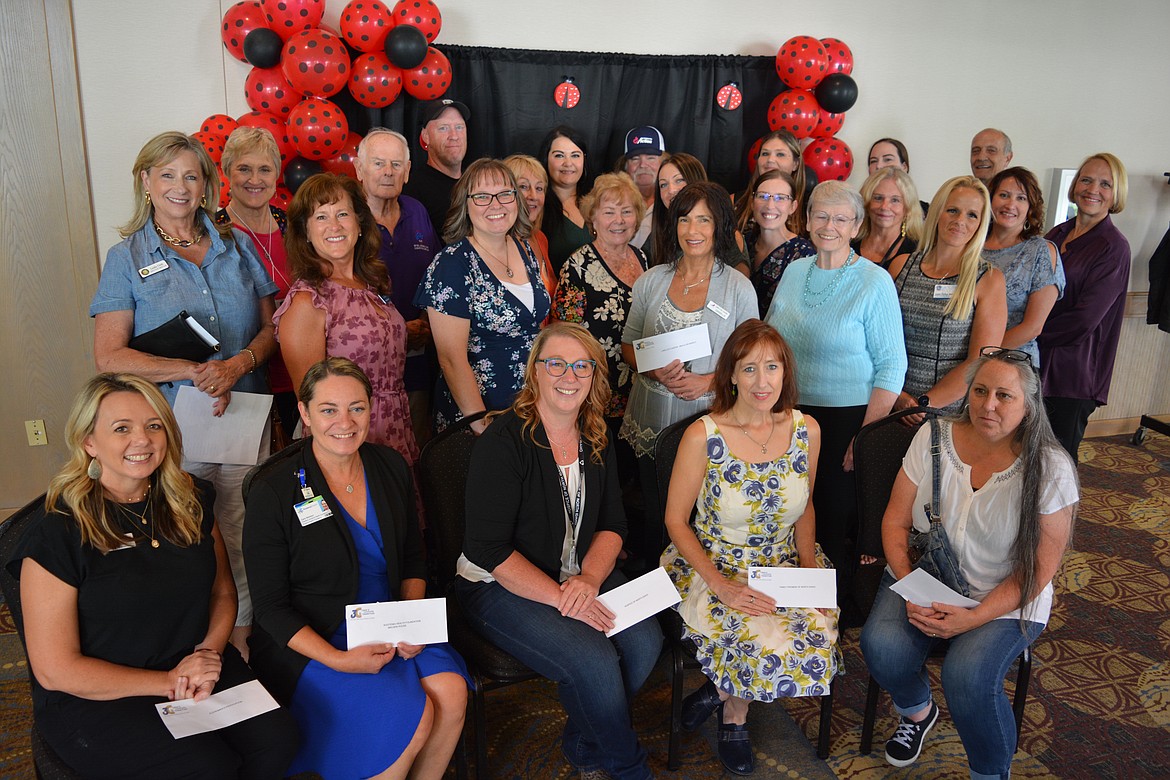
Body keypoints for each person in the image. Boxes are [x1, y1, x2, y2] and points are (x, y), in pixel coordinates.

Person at [9, 373, 297, 778]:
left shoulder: (191, 498)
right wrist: (168, 681)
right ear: (89, 442)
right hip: (101, 692)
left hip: (194, 661)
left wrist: (207, 654)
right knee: (205, 768)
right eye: (121, 428)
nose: (141, 439)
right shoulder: (58, 531)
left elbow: (221, 593)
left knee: (278, 739)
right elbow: (56, 669)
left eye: (154, 425)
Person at [90, 130, 278, 657]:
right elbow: (110, 356)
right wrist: (193, 370)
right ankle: (185, 642)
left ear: (206, 185)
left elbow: (272, 330)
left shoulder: (237, 246)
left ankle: (242, 638)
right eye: (167, 174)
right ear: (146, 181)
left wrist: (239, 363)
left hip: (244, 415)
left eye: (191, 175)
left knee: (243, 532)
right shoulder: (126, 257)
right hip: (167, 429)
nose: (180, 185)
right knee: (180, 537)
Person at [455, 323, 663, 780]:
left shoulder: (596, 434)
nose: (569, 376)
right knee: (593, 660)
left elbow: (613, 524)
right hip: (498, 582)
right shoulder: (503, 443)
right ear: (535, 373)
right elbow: (488, 549)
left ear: (593, 377)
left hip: (577, 571)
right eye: (556, 364)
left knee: (646, 642)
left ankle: (584, 737)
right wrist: (563, 598)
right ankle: (629, 768)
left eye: (581, 366)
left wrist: (588, 581)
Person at [244, 358, 468, 779]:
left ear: (371, 409)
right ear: (305, 413)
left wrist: (408, 621)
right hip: (316, 637)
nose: (344, 422)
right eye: (328, 409)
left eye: (357, 408)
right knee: (411, 720)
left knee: (452, 692)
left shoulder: (390, 466)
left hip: (389, 620)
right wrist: (337, 659)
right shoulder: (273, 489)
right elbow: (271, 608)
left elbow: (414, 560)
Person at [860, 348, 1077, 777]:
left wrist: (972, 618)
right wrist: (909, 586)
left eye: (1003, 395)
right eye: (979, 391)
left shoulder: (1051, 467)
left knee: (968, 677)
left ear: (1029, 405)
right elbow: (896, 519)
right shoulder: (934, 436)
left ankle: (990, 771)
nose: (987, 405)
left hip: (1004, 597)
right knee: (881, 647)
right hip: (927, 576)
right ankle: (918, 712)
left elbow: (1038, 570)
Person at [662, 321, 841, 775]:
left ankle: (713, 691)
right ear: (731, 375)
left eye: (772, 367)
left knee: (816, 637)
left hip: (784, 559)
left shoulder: (807, 430)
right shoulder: (703, 436)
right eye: (749, 369)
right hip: (714, 563)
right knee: (757, 635)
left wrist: (806, 571)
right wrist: (721, 586)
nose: (762, 382)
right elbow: (675, 522)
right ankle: (734, 716)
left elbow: (804, 507)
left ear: (785, 372)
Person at [765, 180, 907, 603]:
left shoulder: (873, 282)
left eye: (841, 218)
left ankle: (831, 614)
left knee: (829, 521)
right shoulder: (794, 271)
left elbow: (891, 367)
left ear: (857, 225)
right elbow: (770, 338)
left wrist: (863, 438)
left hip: (849, 420)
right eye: (821, 215)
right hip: (789, 413)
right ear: (806, 220)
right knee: (787, 511)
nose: (829, 225)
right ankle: (788, 606)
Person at [621, 182, 758, 562]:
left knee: (702, 515)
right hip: (651, 416)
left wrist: (709, 381)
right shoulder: (651, 280)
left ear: (719, 227)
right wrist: (654, 370)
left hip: (709, 420)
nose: (692, 230)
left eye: (704, 220)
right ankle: (656, 591)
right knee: (654, 510)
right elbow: (628, 347)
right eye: (685, 219)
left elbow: (752, 362)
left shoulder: (738, 287)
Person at [273, 173, 420, 485]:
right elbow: (314, 406)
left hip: (396, 426)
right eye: (321, 217)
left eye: (342, 214)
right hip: (348, 439)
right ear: (306, 233)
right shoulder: (307, 301)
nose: (335, 226)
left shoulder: (373, 284)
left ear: (359, 223)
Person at [414, 158, 549, 433]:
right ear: (465, 204)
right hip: (478, 417)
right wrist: (481, 425)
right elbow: (451, 359)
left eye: (504, 194)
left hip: (530, 407)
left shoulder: (525, 248)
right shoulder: (452, 264)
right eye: (482, 196)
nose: (495, 204)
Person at [889, 176, 1007, 418]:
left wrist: (924, 403)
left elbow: (980, 361)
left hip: (949, 414)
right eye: (952, 210)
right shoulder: (900, 266)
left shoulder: (989, 280)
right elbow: (878, 342)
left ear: (981, 224)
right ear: (937, 213)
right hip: (891, 402)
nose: (960, 221)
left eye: (972, 215)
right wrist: (897, 397)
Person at [1039, 153, 1131, 461]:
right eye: (1087, 179)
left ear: (1115, 193)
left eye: (1105, 183)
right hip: (1036, 365)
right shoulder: (1057, 234)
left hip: (1073, 374)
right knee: (1025, 457)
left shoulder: (1113, 247)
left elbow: (1084, 320)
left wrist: (1028, 333)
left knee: (1057, 464)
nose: (1093, 189)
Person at [355, 128, 442, 447]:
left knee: (416, 449)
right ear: (359, 169)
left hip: (417, 361)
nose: (388, 172)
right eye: (378, 163)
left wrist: (425, 323)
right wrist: (395, 330)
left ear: (407, 171)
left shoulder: (417, 211)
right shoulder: (346, 218)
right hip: (365, 366)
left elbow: (434, 276)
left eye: (396, 164)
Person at [216, 126, 296, 438]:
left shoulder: (291, 225)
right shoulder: (213, 233)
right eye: (244, 169)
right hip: (243, 376)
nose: (254, 179)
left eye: (264, 169)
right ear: (227, 172)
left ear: (276, 174)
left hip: (296, 370)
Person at [554, 172, 648, 426]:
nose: (619, 220)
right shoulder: (577, 267)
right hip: (597, 394)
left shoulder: (644, 259)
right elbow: (566, 336)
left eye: (627, 212)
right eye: (609, 212)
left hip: (640, 389)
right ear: (592, 218)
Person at [983, 167, 1065, 366]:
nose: (1011, 204)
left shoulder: (1041, 251)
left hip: (1014, 362)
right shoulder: (971, 246)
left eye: (1021, 198)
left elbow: (1033, 326)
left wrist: (982, 354)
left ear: (1031, 207)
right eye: (1003, 195)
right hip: (960, 361)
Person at [742, 170, 814, 311]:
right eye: (763, 196)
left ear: (793, 207)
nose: (770, 205)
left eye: (780, 198)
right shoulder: (744, 242)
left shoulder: (803, 254)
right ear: (752, 202)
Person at [403, 98, 470, 237]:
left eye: (459, 127)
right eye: (443, 128)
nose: (454, 136)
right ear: (425, 136)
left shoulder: (476, 183)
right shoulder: (413, 191)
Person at [504, 153, 558, 303]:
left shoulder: (540, 238)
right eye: (523, 186)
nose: (533, 195)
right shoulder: (496, 245)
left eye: (539, 188)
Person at [540, 125, 595, 271]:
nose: (568, 163)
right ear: (546, 159)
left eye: (575, 155)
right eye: (559, 155)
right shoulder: (537, 206)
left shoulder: (598, 201)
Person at [735, 131, 809, 238]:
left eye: (780, 154)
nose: (770, 160)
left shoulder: (808, 207)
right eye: (765, 153)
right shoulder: (735, 201)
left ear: (795, 164)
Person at [854, 167, 924, 269]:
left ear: (908, 208)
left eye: (895, 200)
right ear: (866, 203)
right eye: (878, 198)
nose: (884, 207)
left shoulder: (918, 253)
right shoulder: (849, 243)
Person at [649, 151, 709, 265]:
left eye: (679, 180)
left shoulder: (724, 231)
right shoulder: (658, 234)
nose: (671, 190)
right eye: (663, 185)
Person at [621, 125, 665, 248]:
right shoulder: (613, 202)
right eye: (635, 159)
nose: (643, 165)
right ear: (626, 166)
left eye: (651, 158)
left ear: (663, 163)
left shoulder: (671, 201)